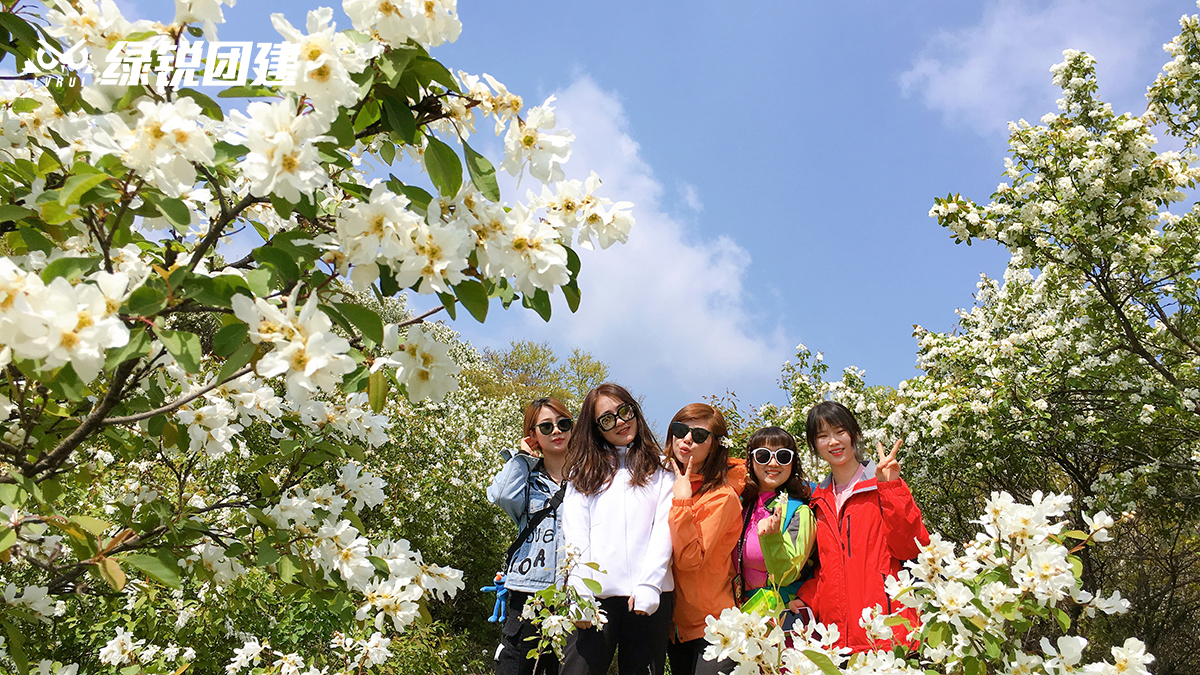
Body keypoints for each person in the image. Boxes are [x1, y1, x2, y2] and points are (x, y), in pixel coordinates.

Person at [794, 401, 930, 652]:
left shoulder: (882, 484)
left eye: (839, 432)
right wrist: (807, 598)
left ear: (854, 434)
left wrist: (891, 487)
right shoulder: (817, 501)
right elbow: (828, 568)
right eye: (822, 436)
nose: (833, 442)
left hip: (887, 632)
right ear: (814, 446)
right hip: (837, 639)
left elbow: (910, 548)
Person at [559, 383, 675, 675]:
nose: (621, 422)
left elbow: (664, 529)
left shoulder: (662, 469)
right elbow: (575, 534)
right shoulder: (582, 472)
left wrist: (650, 584)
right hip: (595, 597)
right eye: (608, 419)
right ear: (596, 428)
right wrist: (580, 590)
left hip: (649, 595)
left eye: (625, 411)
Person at [487, 397, 575, 675]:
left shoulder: (590, 478)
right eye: (546, 427)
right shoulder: (526, 477)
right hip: (527, 593)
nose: (557, 431)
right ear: (533, 434)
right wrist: (523, 457)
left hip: (572, 596)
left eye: (563, 423)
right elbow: (501, 496)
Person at [664, 403, 744, 675]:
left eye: (699, 436)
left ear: (714, 445)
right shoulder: (662, 481)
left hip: (714, 626)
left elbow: (689, 559)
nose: (687, 439)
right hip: (676, 627)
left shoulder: (722, 497)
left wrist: (683, 502)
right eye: (680, 430)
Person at [735, 426, 816, 627]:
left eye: (783, 456)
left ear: (793, 463)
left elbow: (788, 574)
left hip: (782, 617)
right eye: (763, 455)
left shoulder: (799, 511)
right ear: (751, 461)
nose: (773, 463)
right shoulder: (741, 504)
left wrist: (772, 539)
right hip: (743, 615)